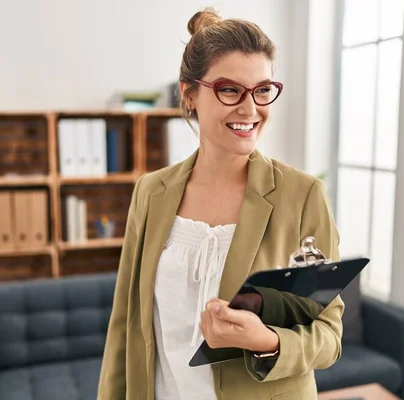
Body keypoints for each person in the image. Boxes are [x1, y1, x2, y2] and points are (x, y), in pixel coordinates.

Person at [97, 7, 344, 400]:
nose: (250, 109)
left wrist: (268, 341)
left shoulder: (303, 196)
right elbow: (125, 325)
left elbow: (328, 334)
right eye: (230, 89)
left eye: (262, 89)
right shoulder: (150, 192)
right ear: (189, 94)